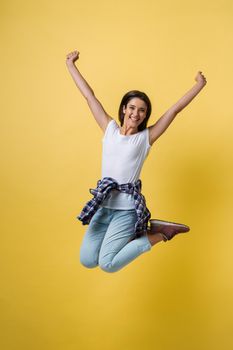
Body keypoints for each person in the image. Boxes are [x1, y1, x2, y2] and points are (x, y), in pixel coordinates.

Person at [66, 50, 207, 273]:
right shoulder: (109, 129)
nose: (136, 113)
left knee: (108, 264)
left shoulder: (144, 139)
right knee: (87, 260)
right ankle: (144, 233)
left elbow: (174, 110)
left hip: (126, 210)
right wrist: (70, 65)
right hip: (103, 207)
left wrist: (199, 84)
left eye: (142, 110)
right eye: (132, 108)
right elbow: (89, 97)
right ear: (124, 109)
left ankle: (160, 234)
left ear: (145, 115)